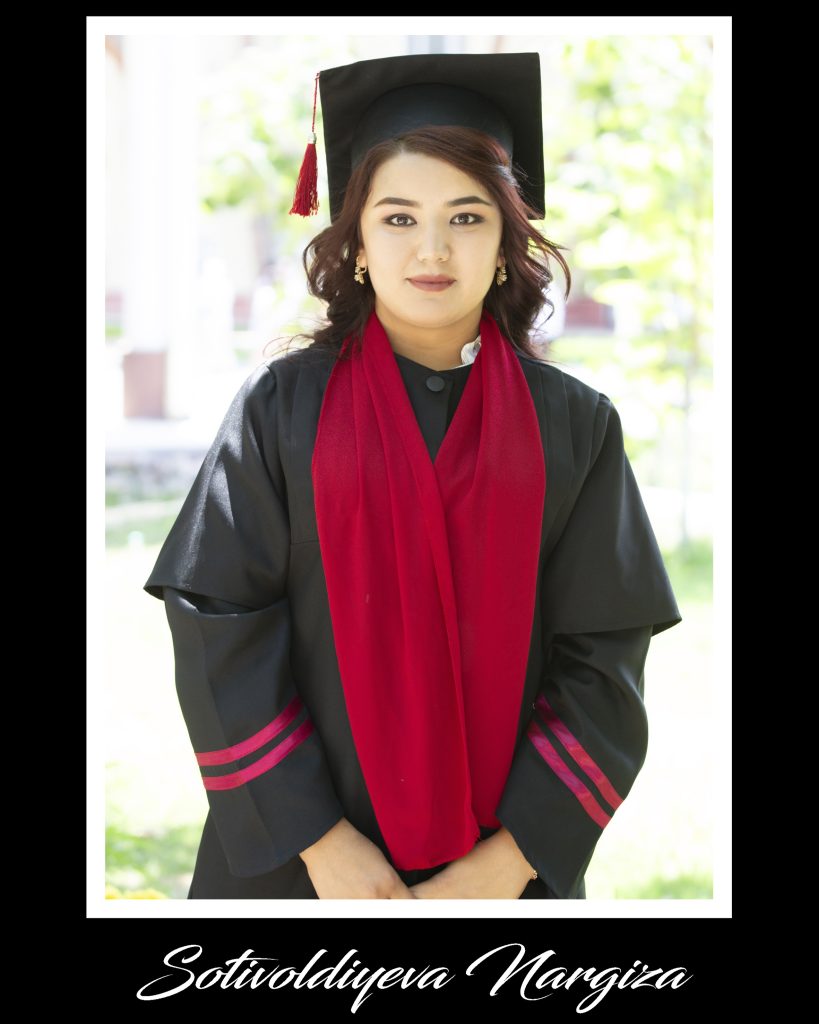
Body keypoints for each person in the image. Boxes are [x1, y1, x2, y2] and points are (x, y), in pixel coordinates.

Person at [143, 52, 682, 900]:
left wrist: (501, 868)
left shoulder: (574, 425)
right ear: (357, 242)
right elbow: (219, 625)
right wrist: (323, 845)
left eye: (466, 216)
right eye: (397, 218)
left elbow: (603, 658)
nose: (432, 249)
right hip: (297, 866)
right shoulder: (280, 409)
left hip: (508, 873)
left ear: (505, 243)